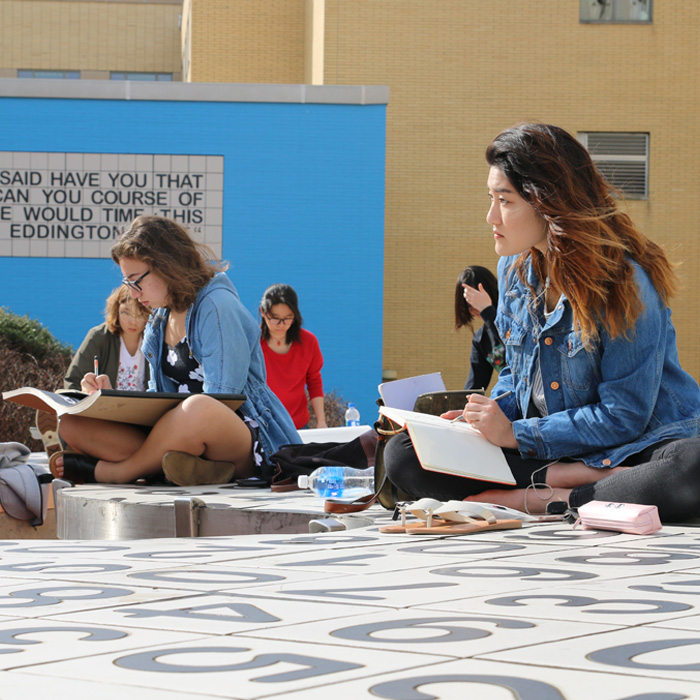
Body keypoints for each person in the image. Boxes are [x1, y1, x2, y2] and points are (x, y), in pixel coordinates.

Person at [385, 122, 700, 522]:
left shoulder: (626, 284)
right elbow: (518, 383)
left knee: (692, 465)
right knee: (404, 454)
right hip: (561, 454)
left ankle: (544, 498)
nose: (490, 216)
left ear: (548, 204)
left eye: (506, 201)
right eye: (491, 198)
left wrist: (517, 435)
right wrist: (483, 419)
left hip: (636, 448)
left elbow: (624, 416)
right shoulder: (514, 271)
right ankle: (570, 483)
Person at [50, 215, 300, 485]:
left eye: (136, 281)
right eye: (127, 284)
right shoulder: (159, 317)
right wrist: (111, 403)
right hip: (180, 436)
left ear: (166, 266)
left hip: (243, 441)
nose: (133, 294)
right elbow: (158, 401)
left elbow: (223, 401)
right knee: (73, 424)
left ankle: (120, 472)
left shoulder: (216, 307)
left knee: (198, 408)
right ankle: (184, 469)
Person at [259, 283, 327, 429]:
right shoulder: (252, 342)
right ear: (263, 312)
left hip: (298, 425)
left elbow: (314, 382)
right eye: (275, 318)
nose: (281, 324)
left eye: (287, 318)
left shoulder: (309, 342)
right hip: (263, 425)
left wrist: (321, 421)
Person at [64, 285, 151, 392]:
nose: (132, 321)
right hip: (105, 407)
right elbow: (73, 382)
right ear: (116, 309)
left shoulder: (155, 341)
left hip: (145, 408)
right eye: (126, 313)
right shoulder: (99, 337)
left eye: (140, 314)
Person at [455, 265, 505, 391]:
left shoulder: (518, 320)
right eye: (467, 302)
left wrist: (487, 310)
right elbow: (475, 386)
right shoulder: (481, 339)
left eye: (476, 298)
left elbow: (510, 340)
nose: (473, 307)